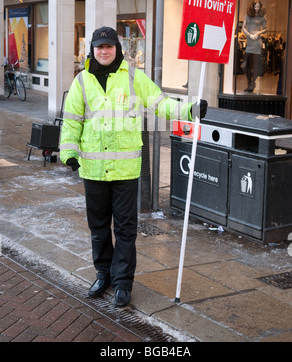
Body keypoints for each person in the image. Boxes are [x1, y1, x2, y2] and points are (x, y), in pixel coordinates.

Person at [60, 26, 207, 308]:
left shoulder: (134, 78)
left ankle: (123, 283)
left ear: (118, 48)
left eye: (109, 46)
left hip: (125, 171)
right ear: (92, 49)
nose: (104, 51)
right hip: (92, 169)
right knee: (99, 228)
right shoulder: (81, 82)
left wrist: (190, 110)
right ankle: (104, 274)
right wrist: (68, 153)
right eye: (99, 47)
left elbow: (160, 103)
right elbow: (71, 121)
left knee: (126, 230)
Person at [242, 0, 267, 92]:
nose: (256, 8)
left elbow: (265, 29)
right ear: (252, 6)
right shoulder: (248, 16)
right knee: (246, 65)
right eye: (255, 6)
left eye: (258, 7)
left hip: (257, 42)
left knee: (256, 65)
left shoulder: (262, 17)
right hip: (249, 42)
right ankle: (250, 82)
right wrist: (249, 35)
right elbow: (243, 27)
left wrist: (258, 33)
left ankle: (252, 83)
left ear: (260, 7)